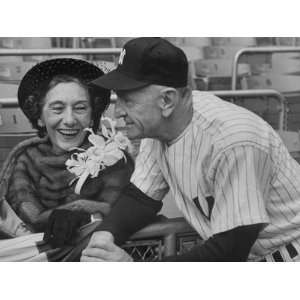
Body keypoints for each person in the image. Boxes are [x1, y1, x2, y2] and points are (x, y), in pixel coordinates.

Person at [81, 37, 300, 262]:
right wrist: (104, 235)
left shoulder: (232, 139)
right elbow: (140, 198)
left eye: (128, 101)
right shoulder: (158, 126)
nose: (118, 112)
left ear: (167, 100)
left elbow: (230, 250)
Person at [1, 58, 134, 254]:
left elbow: (125, 213)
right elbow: (21, 221)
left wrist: (83, 210)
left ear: (92, 114)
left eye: (80, 108)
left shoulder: (114, 158)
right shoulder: (25, 159)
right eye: (57, 109)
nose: (70, 120)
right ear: (39, 116)